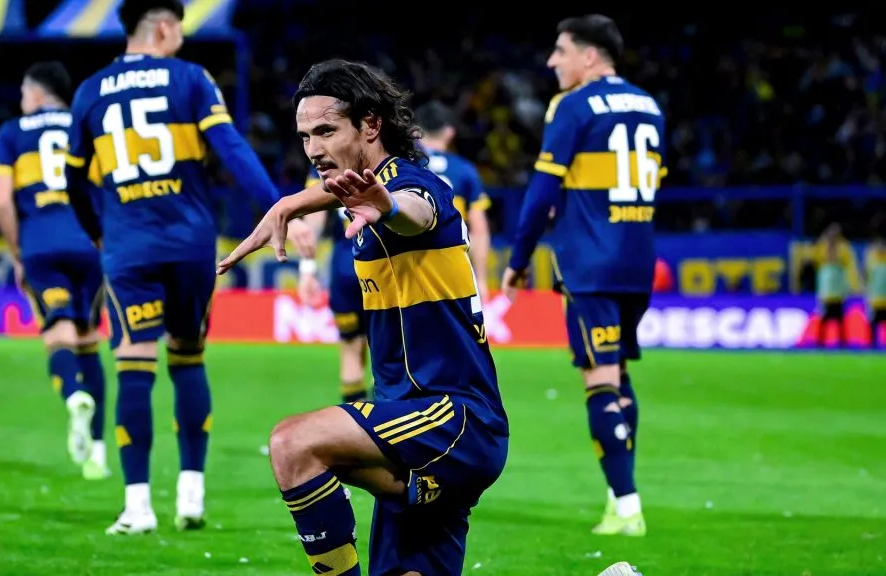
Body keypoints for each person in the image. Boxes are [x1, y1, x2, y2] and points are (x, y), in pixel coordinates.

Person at [217, 59, 509, 576]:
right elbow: (348, 189)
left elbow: (415, 209)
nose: (312, 148)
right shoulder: (361, 193)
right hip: (413, 424)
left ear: (371, 124)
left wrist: (385, 206)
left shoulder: (418, 185)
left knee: (294, 443)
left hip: (452, 419)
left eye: (326, 130)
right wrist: (290, 205)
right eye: (305, 135)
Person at [62, 0, 313, 535]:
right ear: (165, 27)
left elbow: (73, 184)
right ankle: (191, 495)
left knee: (133, 360)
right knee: (189, 357)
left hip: (128, 245)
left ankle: (137, 507)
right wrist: (279, 207)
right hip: (191, 244)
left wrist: (100, 231)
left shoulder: (88, 92)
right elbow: (230, 147)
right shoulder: (190, 79)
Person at [502, 14, 666, 537]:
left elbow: (542, 192)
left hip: (590, 264)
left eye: (561, 51)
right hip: (638, 259)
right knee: (619, 374)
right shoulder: (650, 105)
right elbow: (653, 180)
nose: (553, 61)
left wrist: (519, 258)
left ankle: (627, 503)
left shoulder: (573, 106)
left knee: (598, 379)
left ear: (590, 56)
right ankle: (623, 497)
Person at [0, 61, 109, 481]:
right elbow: (106, 187)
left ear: (37, 93)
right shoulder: (84, 126)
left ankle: (74, 394)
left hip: (40, 244)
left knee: (57, 334)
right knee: (89, 338)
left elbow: (2, 202)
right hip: (87, 244)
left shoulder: (11, 133)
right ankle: (97, 451)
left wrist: (18, 254)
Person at [296, 166, 371, 403]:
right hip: (383, 264)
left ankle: (356, 429)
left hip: (344, 265)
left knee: (350, 349)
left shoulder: (327, 159)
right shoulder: (386, 150)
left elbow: (314, 217)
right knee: (390, 351)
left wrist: (307, 270)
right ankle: (387, 427)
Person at [415, 100, 492, 300]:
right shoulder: (465, 171)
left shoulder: (401, 167)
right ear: (450, 132)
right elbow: (479, 229)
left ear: (415, 131)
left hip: (407, 270)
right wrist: (481, 279)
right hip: (452, 272)